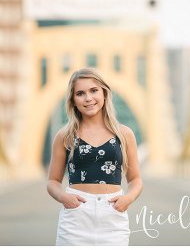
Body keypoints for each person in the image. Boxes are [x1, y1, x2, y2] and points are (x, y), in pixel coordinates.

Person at [47, 68, 142, 246]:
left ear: (104, 93)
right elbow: (52, 181)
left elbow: (136, 179)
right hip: (76, 218)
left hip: (112, 217)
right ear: (73, 100)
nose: (88, 98)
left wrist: (127, 199)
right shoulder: (65, 135)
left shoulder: (124, 134)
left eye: (94, 90)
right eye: (80, 93)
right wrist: (64, 198)